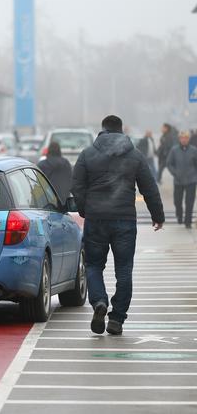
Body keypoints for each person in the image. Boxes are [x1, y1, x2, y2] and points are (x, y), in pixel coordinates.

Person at [72, 115, 164, 336]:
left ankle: (99, 302)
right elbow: (149, 187)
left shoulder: (87, 154)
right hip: (124, 220)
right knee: (124, 269)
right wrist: (157, 215)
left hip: (96, 219)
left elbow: (77, 186)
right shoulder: (135, 155)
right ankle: (117, 319)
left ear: (102, 130)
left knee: (93, 265)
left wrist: (85, 209)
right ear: (121, 131)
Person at [166, 131, 197, 229]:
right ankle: (179, 215)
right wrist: (175, 173)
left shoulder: (194, 150)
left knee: (190, 202)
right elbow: (169, 163)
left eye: (186, 138)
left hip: (191, 180)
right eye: (182, 138)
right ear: (179, 139)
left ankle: (188, 221)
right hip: (178, 180)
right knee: (177, 201)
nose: (184, 139)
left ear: (188, 139)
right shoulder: (174, 150)